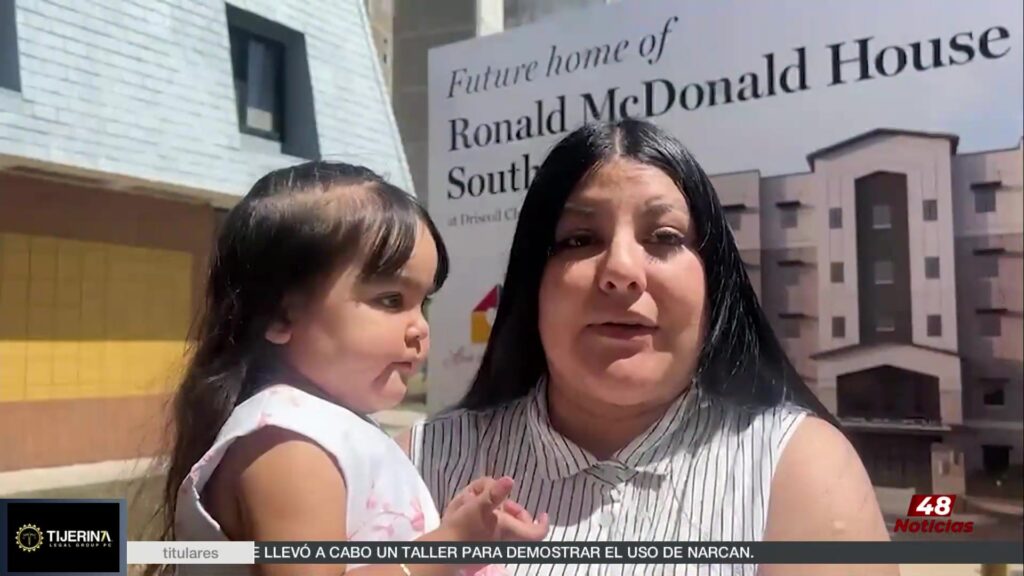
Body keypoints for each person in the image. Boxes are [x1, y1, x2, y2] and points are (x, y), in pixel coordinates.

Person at [399, 120, 894, 576]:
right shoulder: (422, 462)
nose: (621, 271)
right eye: (579, 239)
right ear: (532, 283)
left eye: (663, 236)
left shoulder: (798, 468)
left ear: (714, 281)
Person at [150, 162, 549, 576]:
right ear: (280, 314)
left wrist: (458, 535)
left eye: (422, 303)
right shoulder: (288, 445)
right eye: (391, 300)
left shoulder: (326, 430)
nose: (420, 328)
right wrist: (446, 547)